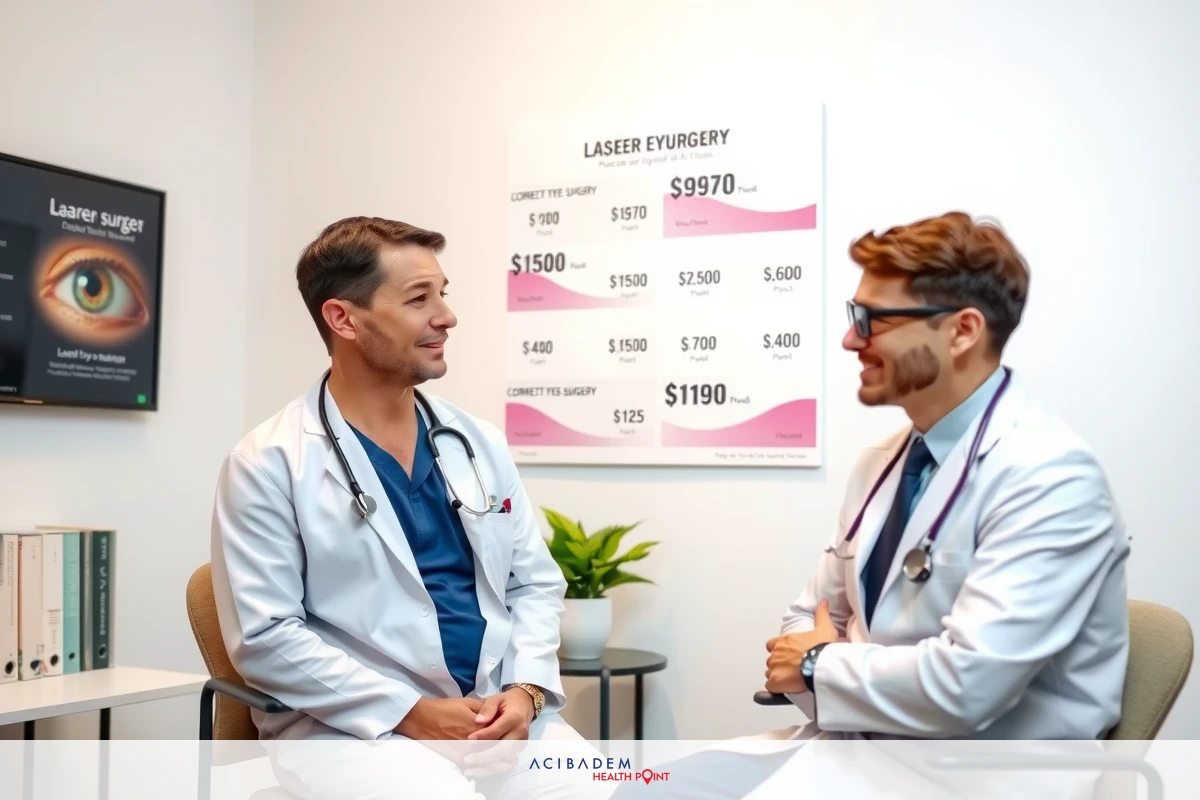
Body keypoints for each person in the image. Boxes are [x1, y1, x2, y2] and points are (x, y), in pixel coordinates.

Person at [209, 216, 604, 799]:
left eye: (442, 294)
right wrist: (412, 712)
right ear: (343, 317)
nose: (446, 316)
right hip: (352, 729)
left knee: (608, 789)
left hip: (494, 715)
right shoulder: (269, 463)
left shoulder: (476, 443)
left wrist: (524, 693)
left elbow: (534, 585)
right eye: (420, 298)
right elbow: (266, 635)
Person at [762, 211, 1130, 739]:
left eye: (872, 319)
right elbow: (803, 620)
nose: (849, 339)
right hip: (860, 757)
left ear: (962, 331)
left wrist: (823, 665)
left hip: (979, 779)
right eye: (853, 314)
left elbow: (965, 686)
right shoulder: (882, 460)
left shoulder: (1052, 478)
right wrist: (826, 668)